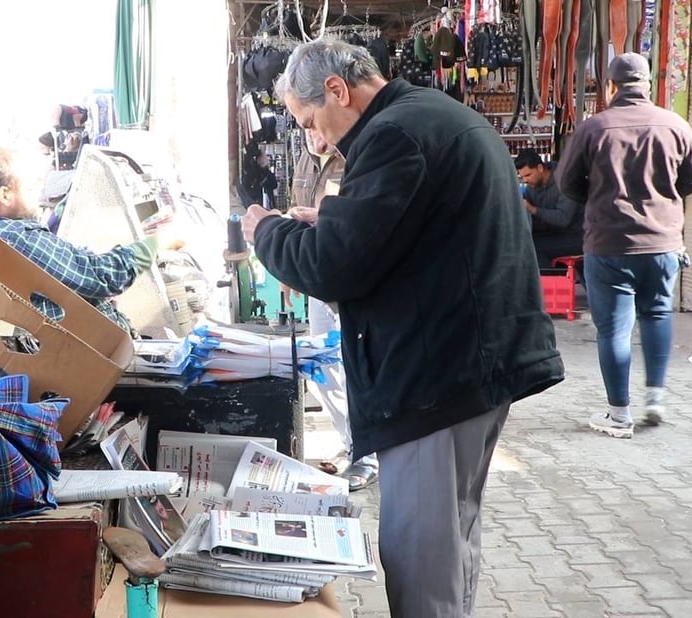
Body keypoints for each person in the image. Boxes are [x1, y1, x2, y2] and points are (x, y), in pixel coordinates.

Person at [240, 39, 564, 616]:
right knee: (450, 538)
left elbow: (331, 266)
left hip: (438, 372)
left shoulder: (394, 136)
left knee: (421, 554)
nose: (315, 139)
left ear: (338, 91)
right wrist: (333, 220)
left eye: (311, 121)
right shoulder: (432, 116)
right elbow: (412, 230)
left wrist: (265, 231)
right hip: (471, 361)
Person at [557, 52, 692, 439]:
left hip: (609, 245)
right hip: (663, 243)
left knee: (614, 331)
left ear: (610, 87)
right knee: (657, 314)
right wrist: (662, 199)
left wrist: (599, 196)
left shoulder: (594, 128)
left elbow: (567, 184)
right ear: (648, 85)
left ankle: (619, 416)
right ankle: (655, 398)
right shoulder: (675, 124)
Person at [0, 146, 174, 334]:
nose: (40, 194)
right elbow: (103, 277)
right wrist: (157, 244)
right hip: (74, 354)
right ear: (5, 195)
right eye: (32, 187)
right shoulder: (16, 237)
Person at [287, 127, 379, 491]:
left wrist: (321, 216)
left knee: (354, 363)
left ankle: (368, 453)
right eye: (305, 126)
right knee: (321, 364)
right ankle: (353, 442)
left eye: (315, 124)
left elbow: (363, 223)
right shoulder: (305, 160)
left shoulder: (356, 157)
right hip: (316, 273)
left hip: (348, 277)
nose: (313, 135)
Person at [514, 149, 584, 268]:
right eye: (522, 177)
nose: (525, 180)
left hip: (578, 236)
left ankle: (550, 283)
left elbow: (563, 219)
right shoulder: (532, 185)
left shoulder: (565, 182)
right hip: (556, 234)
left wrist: (533, 209)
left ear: (540, 168)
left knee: (533, 247)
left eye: (528, 175)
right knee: (521, 243)